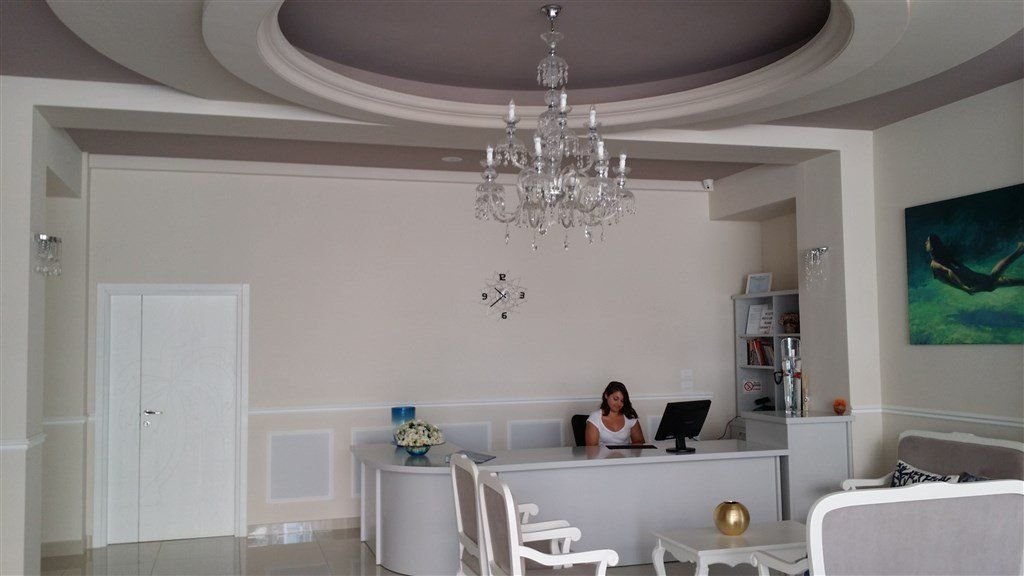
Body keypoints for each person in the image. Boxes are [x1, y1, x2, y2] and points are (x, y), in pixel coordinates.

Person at [925, 235, 1024, 294]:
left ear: (932, 247)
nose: (925, 243)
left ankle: (1019, 250)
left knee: (993, 279)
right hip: (971, 278)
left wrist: (964, 288)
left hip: (972, 282)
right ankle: (1020, 250)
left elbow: (949, 272)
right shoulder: (943, 258)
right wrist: (966, 274)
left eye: (927, 241)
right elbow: (956, 267)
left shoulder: (935, 264)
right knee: (996, 281)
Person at [585, 381, 645, 446]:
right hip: (601, 453)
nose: (619, 404)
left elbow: (639, 443)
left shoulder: (629, 416)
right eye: (615, 399)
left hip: (626, 452)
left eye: (622, 401)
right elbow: (591, 448)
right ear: (606, 395)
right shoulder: (595, 418)